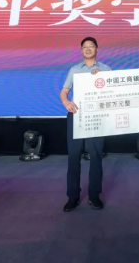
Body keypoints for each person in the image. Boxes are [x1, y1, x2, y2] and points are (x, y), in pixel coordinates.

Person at [60, 36, 111, 212]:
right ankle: (72, 197)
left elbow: (113, 92)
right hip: (76, 116)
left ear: (97, 49)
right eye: (84, 47)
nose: (88, 49)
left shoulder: (105, 69)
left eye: (91, 46)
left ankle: (94, 195)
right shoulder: (74, 69)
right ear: (81, 50)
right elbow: (64, 91)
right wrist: (66, 102)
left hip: (96, 116)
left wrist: (101, 78)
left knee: (96, 156)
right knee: (73, 156)